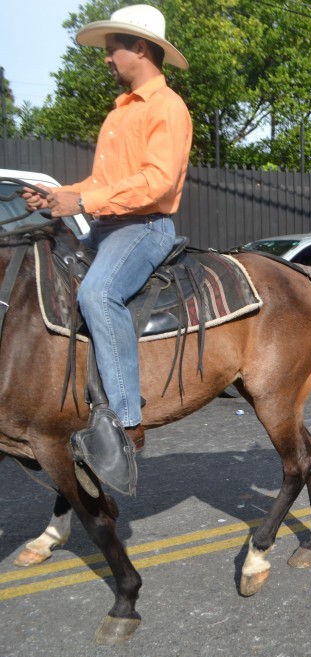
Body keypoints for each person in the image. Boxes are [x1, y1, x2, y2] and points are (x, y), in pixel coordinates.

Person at [21, 5, 191, 466]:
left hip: (145, 228)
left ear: (139, 48)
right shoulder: (118, 114)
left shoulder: (167, 107)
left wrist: (80, 203)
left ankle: (125, 420)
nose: (106, 58)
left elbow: (157, 183)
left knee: (98, 295)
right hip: (106, 225)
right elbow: (100, 185)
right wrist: (57, 195)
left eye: (112, 48)